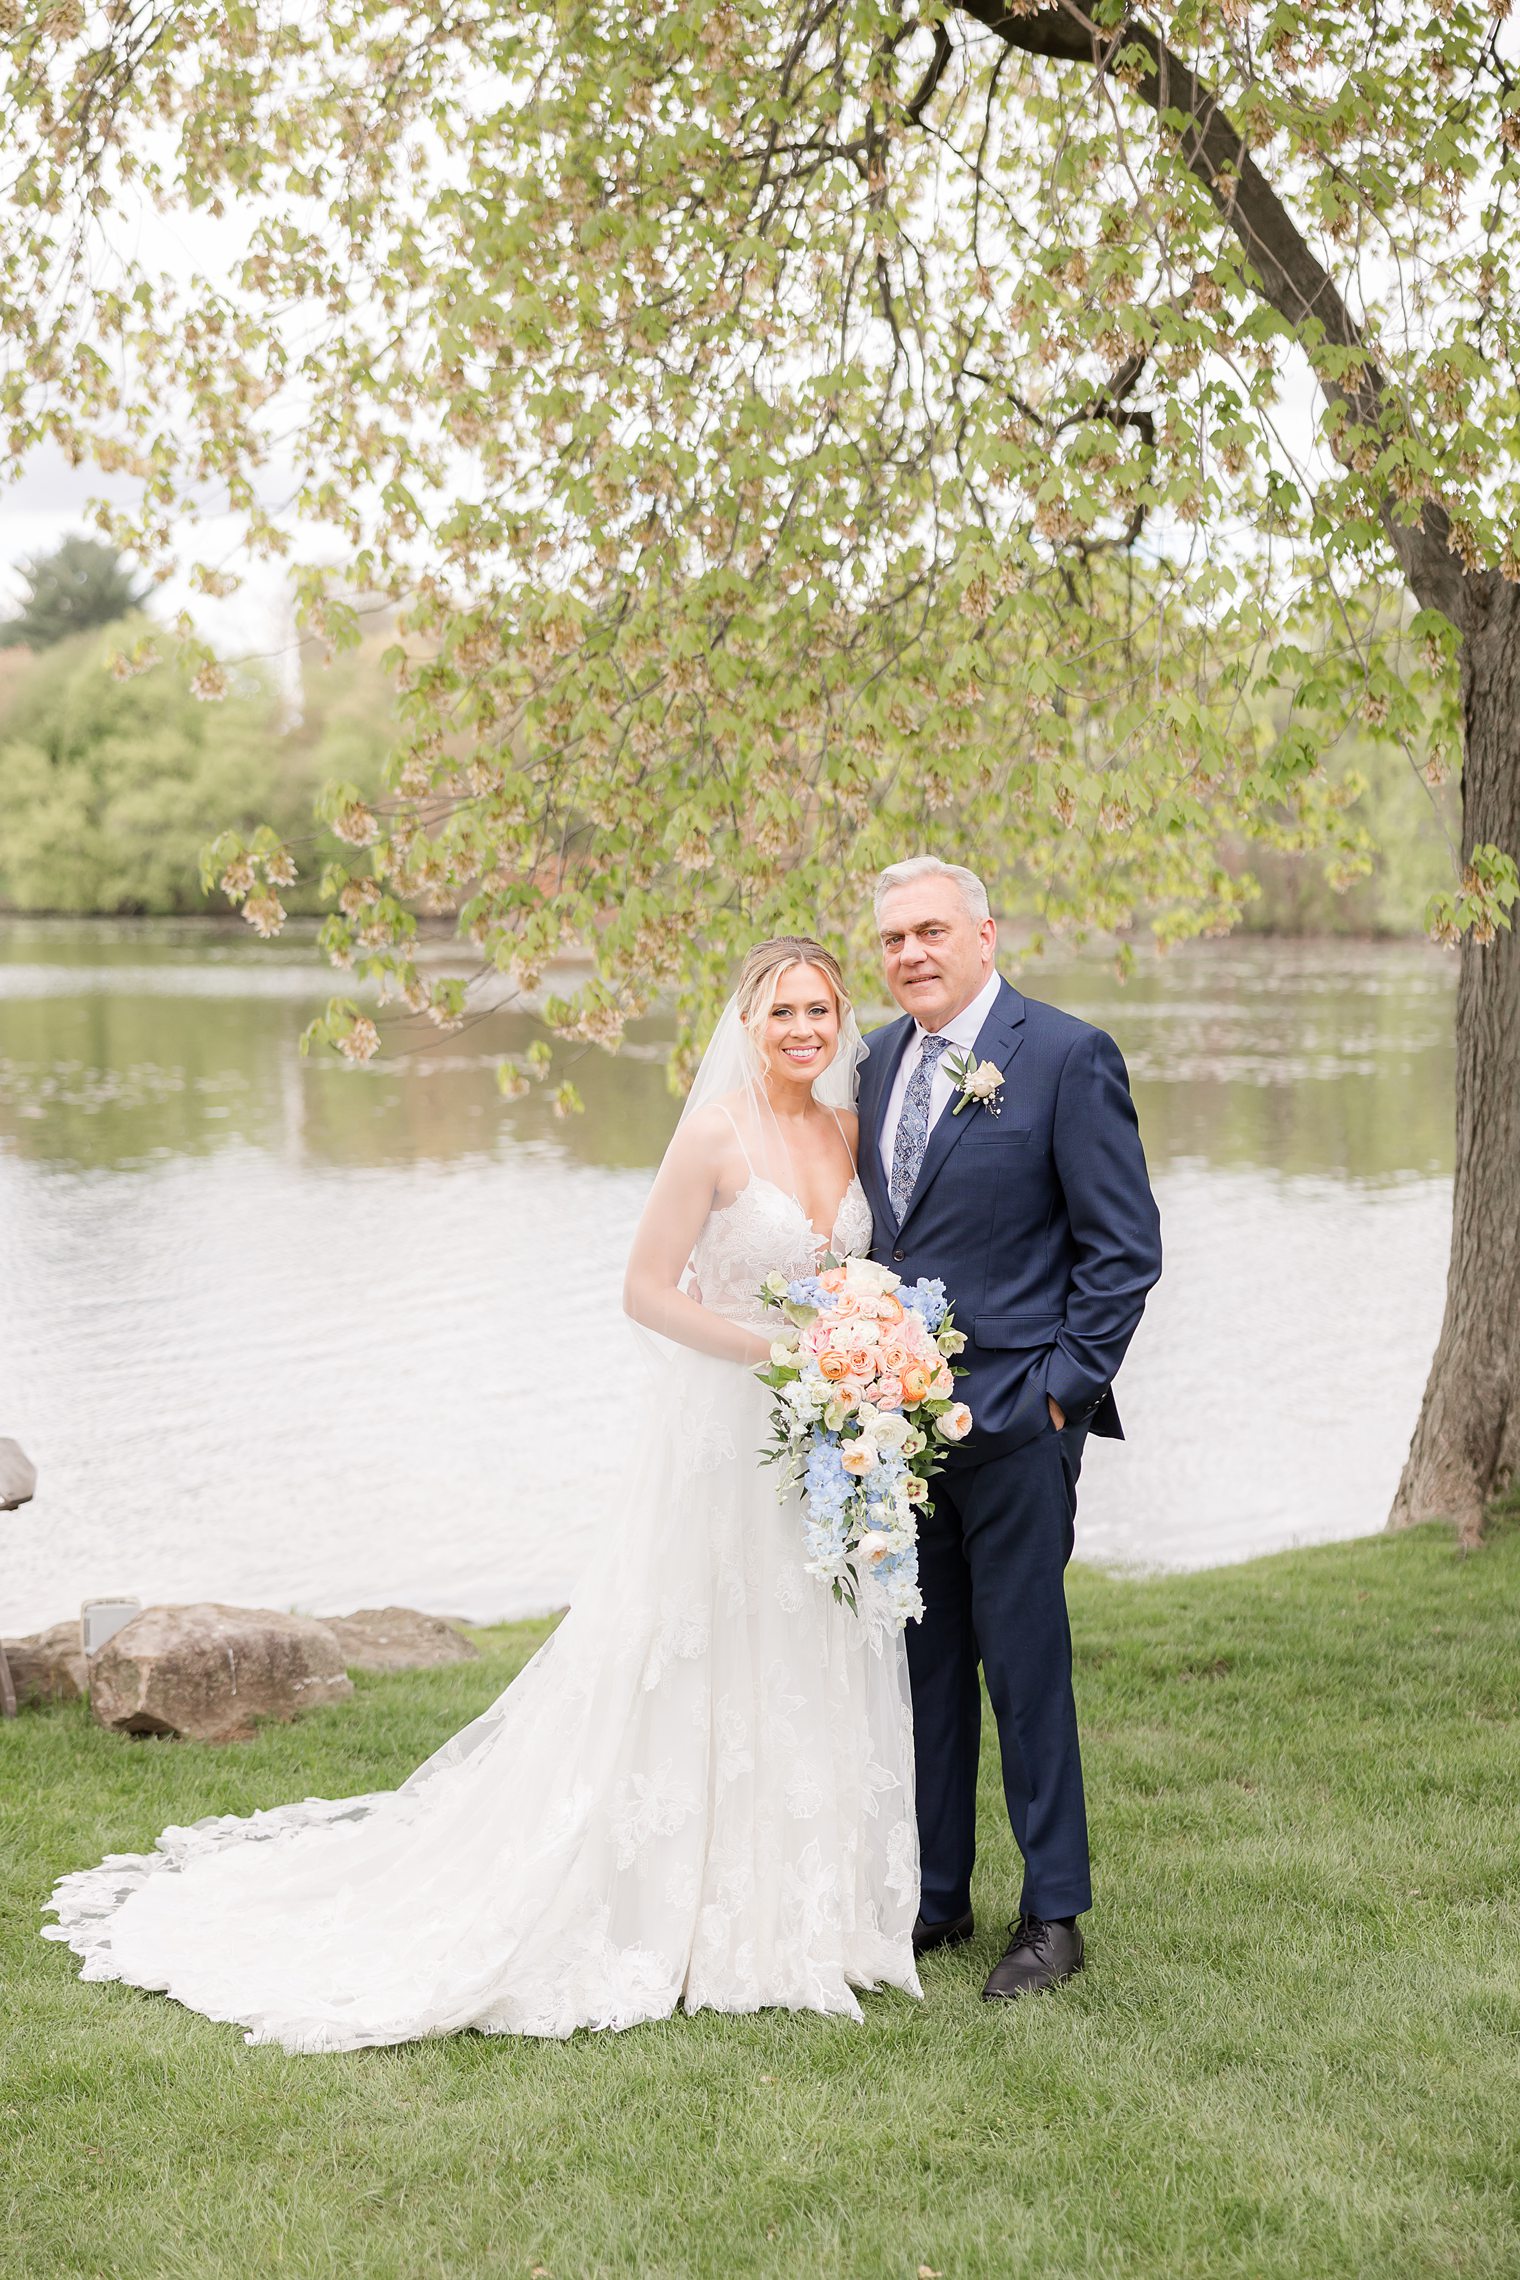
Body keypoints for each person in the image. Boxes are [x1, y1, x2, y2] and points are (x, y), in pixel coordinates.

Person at [42, 939, 922, 2051]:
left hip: (820, 1442)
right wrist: (768, 1353)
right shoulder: (712, 1135)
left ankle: (801, 1909)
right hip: (728, 1425)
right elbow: (645, 1293)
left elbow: (853, 1278)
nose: (802, 1029)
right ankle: (667, 1900)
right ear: (745, 1023)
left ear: (841, 1022)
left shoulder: (848, 1133)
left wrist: (857, 1352)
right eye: (781, 1010)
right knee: (692, 1648)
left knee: (803, 1643)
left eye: (819, 1010)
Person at [858, 857, 1161, 2000]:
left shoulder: (1065, 1056)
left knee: (1025, 1672)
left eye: (930, 931)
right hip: (889, 1433)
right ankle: (937, 1896)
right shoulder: (875, 1059)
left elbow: (1123, 1251)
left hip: (1020, 1423)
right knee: (923, 1669)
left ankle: (1053, 1916)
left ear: (984, 935)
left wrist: (1056, 1394)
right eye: (891, 940)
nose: (910, 955)